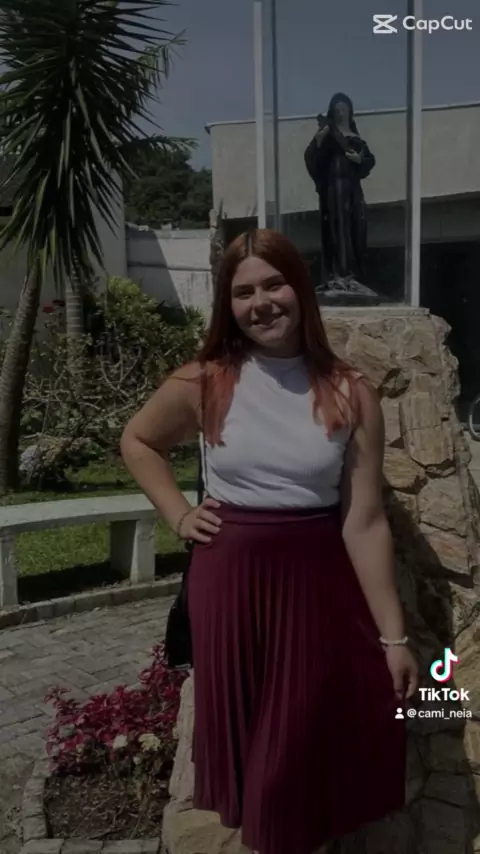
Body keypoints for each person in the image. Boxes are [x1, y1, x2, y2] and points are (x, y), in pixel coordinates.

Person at [120, 229, 418, 854]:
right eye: (243, 292)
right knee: (261, 749)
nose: (261, 303)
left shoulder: (349, 391)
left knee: (306, 746)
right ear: (228, 305)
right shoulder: (206, 380)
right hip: (231, 585)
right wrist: (178, 514)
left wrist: (394, 637)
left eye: (274, 284)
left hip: (316, 586)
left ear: (300, 289)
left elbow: (364, 520)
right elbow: (139, 441)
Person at [304, 92, 375, 289]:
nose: (341, 113)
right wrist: (319, 140)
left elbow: (369, 159)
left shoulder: (355, 136)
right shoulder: (327, 133)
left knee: (356, 229)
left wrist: (359, 160)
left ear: (350, 112)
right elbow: (310, 157)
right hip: (334, 192)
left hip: (353, 191)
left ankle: (356, 274)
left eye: (344, 109)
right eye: (337, 110)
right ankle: (339, 273)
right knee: (337, 229)